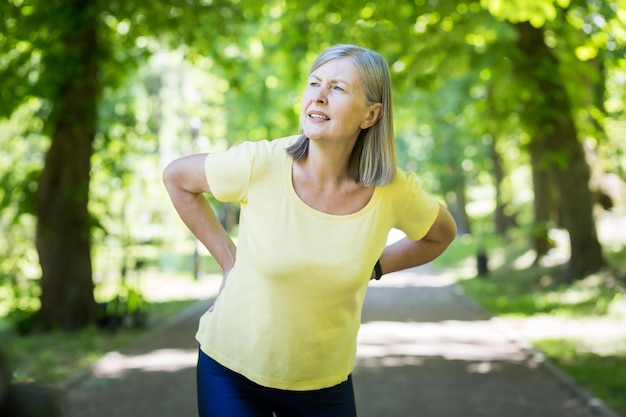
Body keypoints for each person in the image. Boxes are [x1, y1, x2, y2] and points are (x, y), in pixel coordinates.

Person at [163, 43, 457, 417]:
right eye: (314, 83)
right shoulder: (262, 162)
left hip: (323, 384)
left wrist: (376, 266)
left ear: (371, 114)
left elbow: (440, 234)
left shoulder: (393, 190)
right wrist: (228, 260)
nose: (318, 96)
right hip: (230, 369)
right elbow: (177, 178)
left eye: (337, 88)